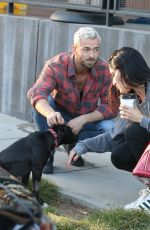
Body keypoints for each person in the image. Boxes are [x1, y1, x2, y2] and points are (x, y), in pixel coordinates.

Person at [67, 47, 150, 211]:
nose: (112, 82)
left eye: (114, 75)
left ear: (127, 73)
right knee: (120, 155)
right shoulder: (131, 98)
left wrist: (141, 119)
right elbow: (115, 136)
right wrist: (83, 145)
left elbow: (137, 126)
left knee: (134, 130)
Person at [27, 27, 117, 174]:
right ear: (74, 48)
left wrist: (84, 119)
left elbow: (112, 105)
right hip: (59, 119)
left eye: (96, 50)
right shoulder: (55, 65)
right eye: (86, 49)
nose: (92, 55)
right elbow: (37, 93)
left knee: (110, 128)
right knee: (41, 106)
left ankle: (75, 145)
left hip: (86, 121)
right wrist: (50, 113)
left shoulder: (104, 69)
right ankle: (47, 152)